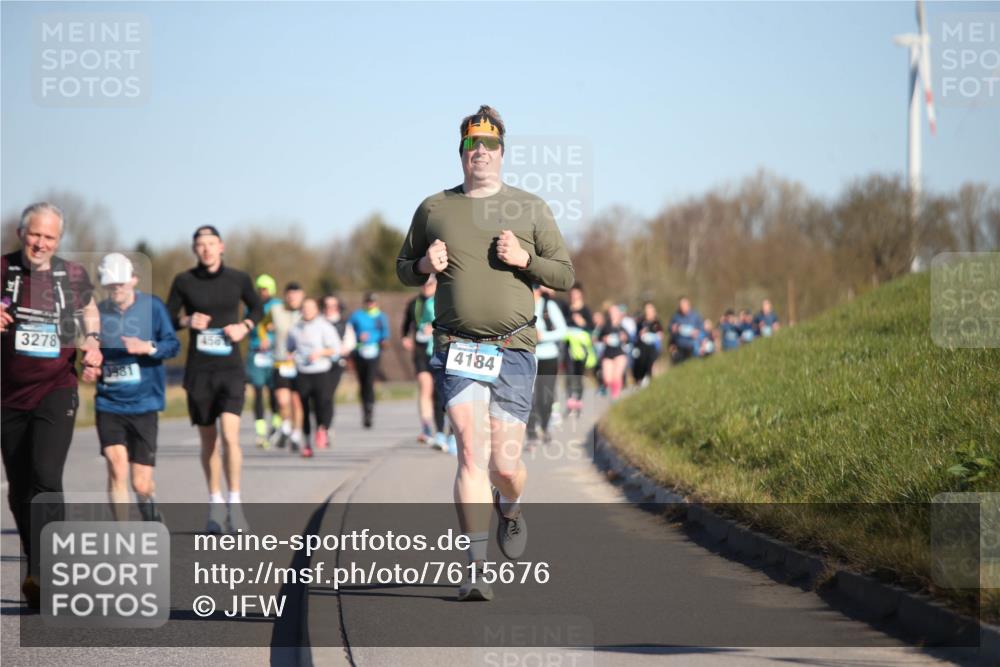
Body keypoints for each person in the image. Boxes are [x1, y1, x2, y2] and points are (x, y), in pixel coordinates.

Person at [396, 105, 574, 601]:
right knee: (470, 454)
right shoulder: (434, 208)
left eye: (490, 145)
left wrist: (526, 260)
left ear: (501, 152)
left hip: (514, 346)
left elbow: (565, 274)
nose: (481, 152)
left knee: (504, 466)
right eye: (472, 144)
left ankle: (511, 509)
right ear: (461, 152)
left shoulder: (531, 207)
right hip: (456, 344)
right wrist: (422, 264)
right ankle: (476, 568)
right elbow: (402, 266)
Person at [1, 202, 103, 608]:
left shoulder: (71, 274)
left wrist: (92, 342)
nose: (41, 243)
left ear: (59, 240)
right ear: (22, 233)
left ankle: (45, 570)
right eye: (35, 235)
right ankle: (35, 556)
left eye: (50, 237)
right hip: (7, 394)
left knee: (45, 475)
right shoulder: (3, 269)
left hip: (55, 388)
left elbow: (88, 311)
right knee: (19, 487)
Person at [166, 225, 262, 534]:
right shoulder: (184, 281)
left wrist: (245, 326)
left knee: (231, 436)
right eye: (200, 244)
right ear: (194, 249)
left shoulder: (238, 279)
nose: (206, 249)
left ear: (221, 246)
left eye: (211, 243)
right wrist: (185, 320)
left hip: (230, 369)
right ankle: (215, 503)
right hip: (199, 371)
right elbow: (166, 317)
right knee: (209, 440)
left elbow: (258, 307)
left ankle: (235, 504)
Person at [85, 253, 180, 522]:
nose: (117, 290)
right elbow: (91, 353)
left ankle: (149, 505)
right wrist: (91, 367)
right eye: (111, 286)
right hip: (109, 402)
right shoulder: (98, 314)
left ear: (134, 280)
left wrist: (147, 347)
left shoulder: (153, 308)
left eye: (122, 284)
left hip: (145, 404)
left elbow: (173, 345)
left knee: (141, 483)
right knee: (116, 468)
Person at [287, 298, 342, 458]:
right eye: (304, 308)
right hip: (302, 372)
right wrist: (290, 355)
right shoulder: (295, 329)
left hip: (320, 371)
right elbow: (289, 347)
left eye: (310, 308)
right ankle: (307, 443)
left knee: (322, 403)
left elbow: (336, 349)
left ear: (316, 310)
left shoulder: (324, 327)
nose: (307, 311)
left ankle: (321, 428)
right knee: (303, 408)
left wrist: (320, 353)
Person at [401, 275, 447, 446]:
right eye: (424, 284)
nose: (426, 287)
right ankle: (427, 428)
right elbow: (406, 325)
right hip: (421, 349)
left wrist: (434, 327)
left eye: (430, 284)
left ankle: (445, 430)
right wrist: (405, 338)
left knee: (439, 392)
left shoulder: (444, 300)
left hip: (439, 348)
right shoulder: (414, 303)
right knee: (425, 387)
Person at [260, 283, 304, 450]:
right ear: (285, 295)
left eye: (296, 294)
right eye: (289, 294)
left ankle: (296, 433)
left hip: (300, 365)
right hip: (280, 362)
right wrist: (264, 337)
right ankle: (286, 425)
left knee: (297, 402)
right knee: (282, 400)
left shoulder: (306, 312)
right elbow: (262, 325)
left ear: (302, 295)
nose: (292, 297)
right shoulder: (276, 310)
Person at [526, 285, 567, 446]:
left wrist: (543, 336)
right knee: (530, 394)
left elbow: (563, 331)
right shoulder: (522, 304)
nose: (533, 291)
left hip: (549, 355)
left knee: (546, 395)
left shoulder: (549, 306)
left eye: (536, 287)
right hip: (530, 356)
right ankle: (531, 433)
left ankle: (544, 426)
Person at [247, 274, 282, 448]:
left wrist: (273, 331)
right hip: (256, 353)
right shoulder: (252, 306)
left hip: (275, 354)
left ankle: (276, 426)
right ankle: (260, 431)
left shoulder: (278, 306)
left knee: (275, 391)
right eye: (260, 289)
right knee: (258, 391)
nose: (262, 292)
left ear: (272, 289)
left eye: (265, 288)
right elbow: (248, 325)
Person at [348, 292, 390, 429]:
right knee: (362, 382)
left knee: (370, 381)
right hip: (359, 352)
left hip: (374, 351)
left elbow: (385, 334)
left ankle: (370, 409)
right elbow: (348, 332)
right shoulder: (357, 316)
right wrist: (359, 337)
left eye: (372, 301)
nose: (370, 304)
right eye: (368, 301)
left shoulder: (381, 316)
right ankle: (364, 408)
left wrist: (382, 341)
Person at [322, 295, 355, 447]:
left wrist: (342, 349)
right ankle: (320, 424)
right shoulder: (318, 322)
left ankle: (326, 427)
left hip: (336, 364)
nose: (329, 309)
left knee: (327, 395)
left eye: (333, 305)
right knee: (318, 397)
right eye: (327, 305)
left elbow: (350, 343)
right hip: (318, 365)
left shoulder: (344, 324)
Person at [563, 283, 594, 417]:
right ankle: (570, 403)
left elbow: (592, 328)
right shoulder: (566, 310)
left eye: (576, 293)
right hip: (568, 346)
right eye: (572, 294)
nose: (574, 296)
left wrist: (582, 322)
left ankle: (578, 402)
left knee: (579, 374)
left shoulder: (586, 310)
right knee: (569, 373)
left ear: (580, 294)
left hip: (582, 347)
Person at [595, 304, 630, 400]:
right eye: (611, 312)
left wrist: (625, 338)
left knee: (616, 376)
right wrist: (603, 339)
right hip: (608, 354)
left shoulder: (622, 327)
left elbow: (630, 339)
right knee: (607, 379)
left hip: (620, 353)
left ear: (619, 314)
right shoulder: (605, 327)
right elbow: (597, 338)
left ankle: (616, 397)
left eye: (615, 312)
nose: (613, 314)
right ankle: (606, 389)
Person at [631, 301, 663, 387]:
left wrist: (655, 336)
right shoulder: (641, 322)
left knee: (652, 364)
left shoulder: (657, 322)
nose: (648, 311)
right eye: (647, 309)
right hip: (642, 348)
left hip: (653, 347)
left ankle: (654, 384)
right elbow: (636, 336)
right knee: (641, 364)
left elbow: (660, 335)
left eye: (650, 309)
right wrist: (640, 333)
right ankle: (641, 381)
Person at [668, 297, 704, 364]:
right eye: (681, 306)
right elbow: (670, 328)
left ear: (688, 305)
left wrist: (697, 332)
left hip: (692, 346)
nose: (682, 307)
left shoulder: (695, 315)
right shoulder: (675, 316)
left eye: (684, 305)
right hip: (679, 346)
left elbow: (702, 328)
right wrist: (673, 328)